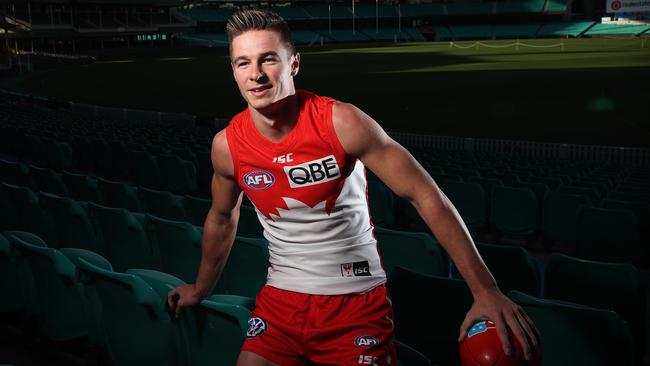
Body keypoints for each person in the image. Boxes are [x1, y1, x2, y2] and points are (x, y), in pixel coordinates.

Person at [168, 9, 540, 366]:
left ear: (294, 63)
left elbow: (424, 194)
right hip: (280, 305)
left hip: (354, 305)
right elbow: (221, 217)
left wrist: (484, 289)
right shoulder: (227, 146)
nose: (256, 75)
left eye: (269, 59)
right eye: (243, 63)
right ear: (233, 70)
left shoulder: (342, 122)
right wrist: (201, 288)